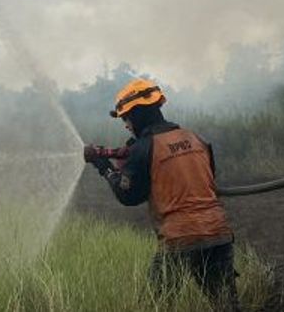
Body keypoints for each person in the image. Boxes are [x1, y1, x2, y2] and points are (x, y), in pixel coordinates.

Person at [87, 77, 238, 309]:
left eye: (126, 118)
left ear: (136, 115)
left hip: (180, 239)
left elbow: (129, 196)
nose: (126, 125)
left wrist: (103, 166)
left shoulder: (144, 148)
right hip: (218, 233)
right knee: (226, 305)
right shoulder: (195, 138)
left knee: (157, 305)